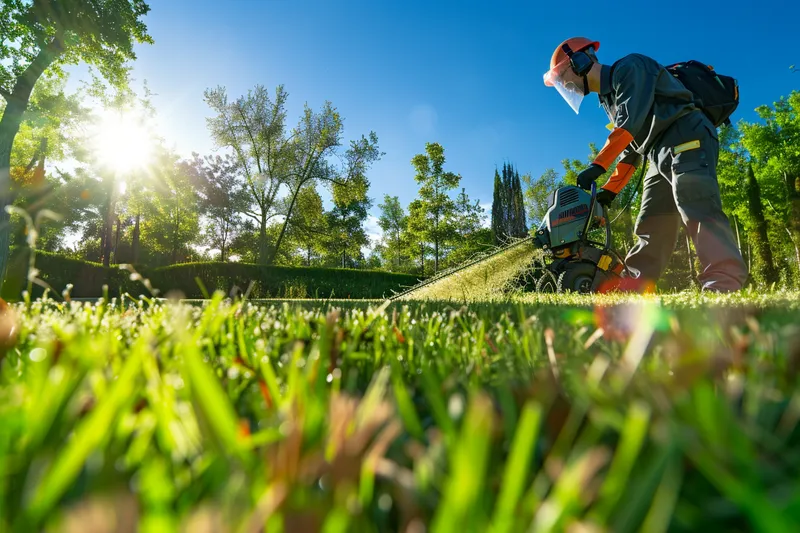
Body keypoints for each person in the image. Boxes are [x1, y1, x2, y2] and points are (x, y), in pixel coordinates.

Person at [543, 37, 748, 292]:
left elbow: (630, 123)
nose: (566, 85)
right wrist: (610, 190)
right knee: (651, 222)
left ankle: (724, 281)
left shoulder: (631, 67)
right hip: (655, 152)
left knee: (696, 203)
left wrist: (598, 164)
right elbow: (629, 148)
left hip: (685, 134)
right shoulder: (608, 100)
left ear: (581, 61)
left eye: (563, 77)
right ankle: (634, 289)